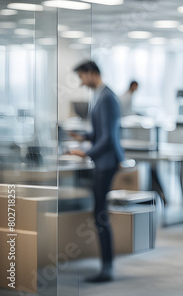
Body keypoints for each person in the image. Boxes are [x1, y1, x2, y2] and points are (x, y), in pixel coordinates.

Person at [69, 61, 125, 282]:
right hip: (103, 160)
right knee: (98, 212)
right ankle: (106, 266)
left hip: (107, 161)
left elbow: (109, 138)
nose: (81, 82)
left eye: (82, 77)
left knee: (100, 214)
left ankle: (107, 268)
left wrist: (86, 153)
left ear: (91, 74)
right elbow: (101, 132)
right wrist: (83, 137)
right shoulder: (101, 96)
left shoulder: (107, 97)